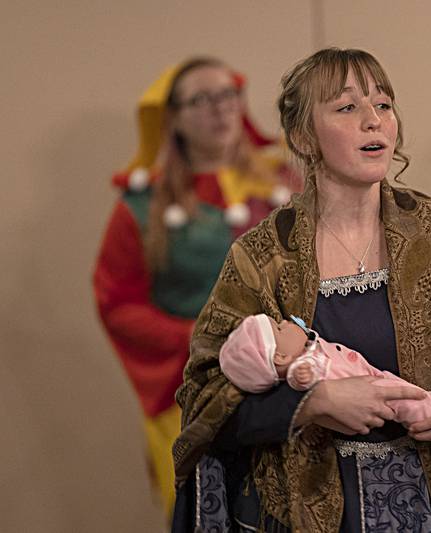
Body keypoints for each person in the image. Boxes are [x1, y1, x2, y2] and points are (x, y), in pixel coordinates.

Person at [171, 47, 431, 533]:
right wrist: (313, 403)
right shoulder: (263, 257)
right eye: (347, 107)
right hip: (313, 507)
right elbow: (205, 395)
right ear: (305, 137)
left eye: (383, 105)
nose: (374, 121)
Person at [93, 56, 298, 517]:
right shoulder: (142, 207)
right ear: (175, 118)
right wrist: (194, 338)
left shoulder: (286, 183)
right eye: (202, 100)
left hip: (287, 380)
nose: (220, 109)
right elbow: (117, 302)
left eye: (228, 95)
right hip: (191, 387)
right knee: (202, 511)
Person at [219, 314, 431, 423]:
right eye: (278, 327)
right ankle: (425, 416)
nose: (285, 322)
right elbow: (300, 382)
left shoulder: (307, 347)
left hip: (368, 373)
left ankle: (428, 402)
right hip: (367, 388)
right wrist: (300, 378)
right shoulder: (301, 367)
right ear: (280, 357)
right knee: (400, 398)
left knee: (397, 385)